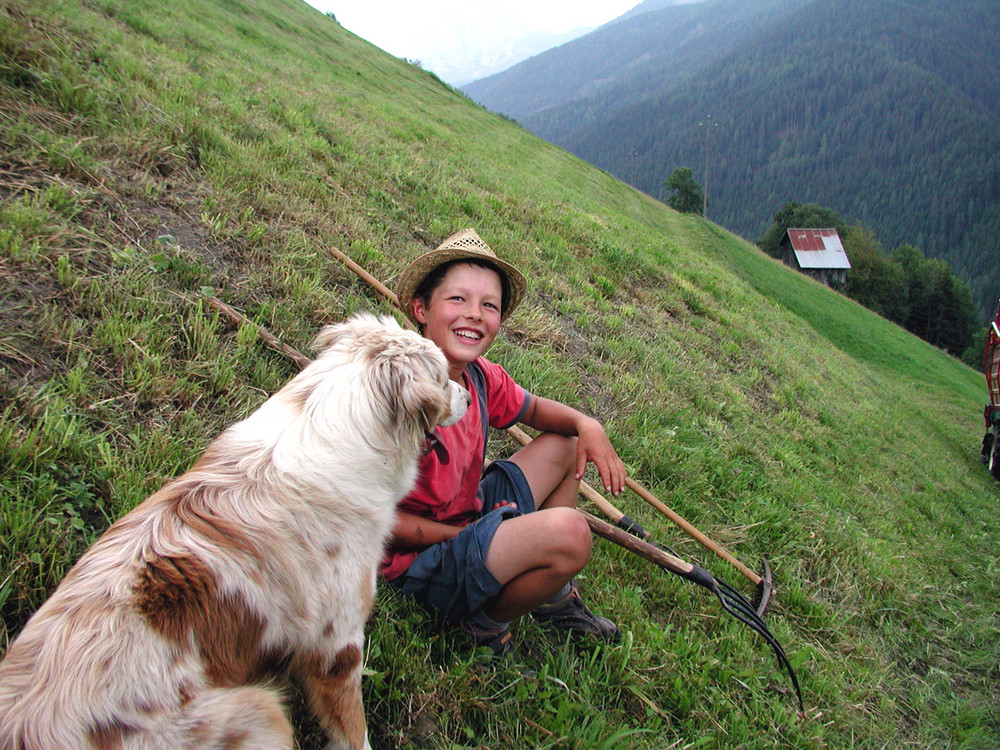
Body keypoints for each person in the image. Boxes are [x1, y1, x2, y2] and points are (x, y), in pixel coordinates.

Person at [380, 228, 628, 656]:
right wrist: (458, 535)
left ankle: (548, 593)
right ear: (421, 308)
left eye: (488, 305)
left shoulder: (479, 377)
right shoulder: (398, 397)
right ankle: (485, 626)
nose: (474, 314)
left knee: (567, 445)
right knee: (572, 534)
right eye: (457, 299)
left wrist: (588, 424)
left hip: (467, 519)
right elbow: (374, 521)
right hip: (416, 564)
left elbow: (535, 411)